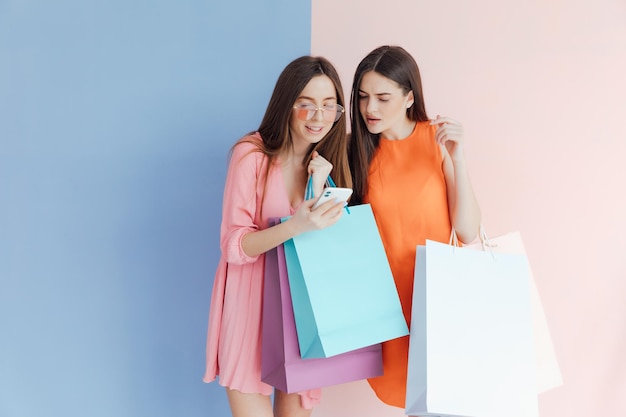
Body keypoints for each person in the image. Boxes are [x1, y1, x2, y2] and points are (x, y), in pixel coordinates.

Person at [203, 56, 351, 417]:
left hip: (300, 317)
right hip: (249, 311)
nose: (318, 117)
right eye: (306, 105)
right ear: (287, 104)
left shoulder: (326, 166)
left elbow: (325, 252)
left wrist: (319, 186)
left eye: (329, 106)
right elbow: (234, 245)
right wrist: (295, 225)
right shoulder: (251, 155)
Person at [348, 45, 482, 408]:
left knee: (442, 401)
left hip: (437, 295)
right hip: (385, 305)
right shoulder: (354, 153)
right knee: (412, 402)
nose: (369, 109)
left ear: (409, 97)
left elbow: (468, 231)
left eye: (382, 97)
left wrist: (459, 156)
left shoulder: (435, 140)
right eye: (362, 97)